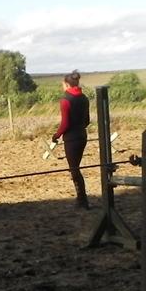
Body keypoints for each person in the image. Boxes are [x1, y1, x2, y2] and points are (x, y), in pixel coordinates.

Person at [52, 70, 90, 209]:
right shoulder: (84, 98)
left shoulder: (65, 100)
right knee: (76, 168)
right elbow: (87, 121)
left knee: (74, 170)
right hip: (82, 135)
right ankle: (81, 199)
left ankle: (82, 200)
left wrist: (56, 135)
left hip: (71, 139)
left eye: (63, 84)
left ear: (67, 84)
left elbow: (65, 124)